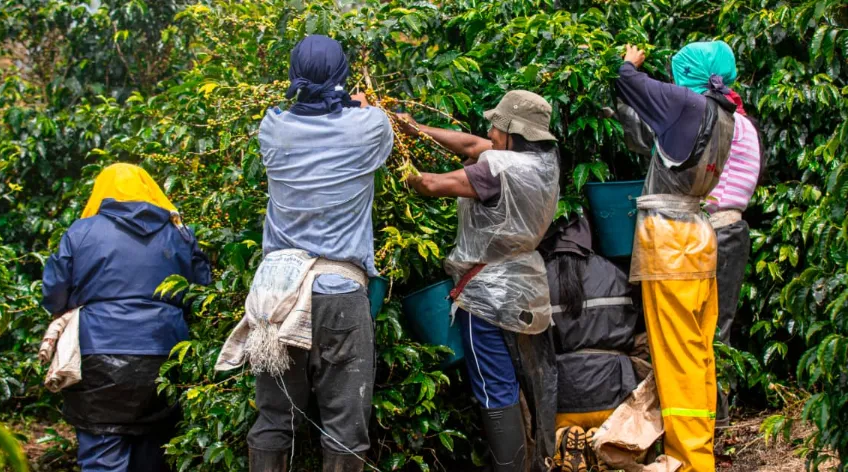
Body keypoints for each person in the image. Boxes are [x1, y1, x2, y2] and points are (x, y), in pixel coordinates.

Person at [214, 35, 393, 472]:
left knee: (275, 417)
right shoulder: (369, 127)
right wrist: (360, 103)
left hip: (277, 293)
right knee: (346, 426)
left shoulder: (273, 126)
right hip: (339, 289)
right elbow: (374, 124)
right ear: (343, 76)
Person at [398, 90, 561, 472]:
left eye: (495, 124)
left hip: (486, 295)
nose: (489, 130)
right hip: (527, 291)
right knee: (521, 382)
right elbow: (474, 144)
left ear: (510, 132)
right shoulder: (543, 161)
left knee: (495, 390)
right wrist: (413, 127)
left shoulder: (497, 169)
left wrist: (386, 157)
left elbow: (431, 185)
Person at [614, 41, 738, 472]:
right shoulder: (725, 114)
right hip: (698, 235)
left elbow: (628, 80)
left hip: (671, 242)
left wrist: (629, 61)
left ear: (692, 73)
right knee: (700, 349)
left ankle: (690, 462)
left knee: (677, 355)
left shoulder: (687, 103)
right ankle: (700, 451)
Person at [42, 163, 212, 472]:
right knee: (154, 449)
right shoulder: (177, 233)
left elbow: (54, 293)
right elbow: (200, 290)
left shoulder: (82, 232)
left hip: (99, 352)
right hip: (165, 351)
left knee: (102, 449)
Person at [670, 45, 764, 426]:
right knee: (714, 326)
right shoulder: (738, 119)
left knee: (708, 330)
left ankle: (712, 420)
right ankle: (712, 417)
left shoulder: (718, 122)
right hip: (728, 231)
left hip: (717, 231)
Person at [539, 215, 641, 472]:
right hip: (613, 394)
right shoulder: (616, 274)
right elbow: (631, 332)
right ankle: (603, 440)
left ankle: (564, 436)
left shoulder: (538, 281)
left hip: (563, 399)